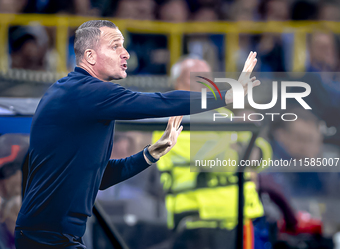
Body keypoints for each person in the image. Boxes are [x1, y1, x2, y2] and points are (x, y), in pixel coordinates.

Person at [15, 20, 259, 248]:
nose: (126, 53)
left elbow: (100, 177)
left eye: (124, 46)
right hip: (48, 236)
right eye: (115, 46)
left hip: (50, 233)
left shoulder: (80, 96)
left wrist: (149, 154)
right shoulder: (88, 93)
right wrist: (225, 96)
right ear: (90, 56)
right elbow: (158, 102)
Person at [152, 58, 269, 249]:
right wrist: (237, 140)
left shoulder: (224, 116)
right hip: (199, 223)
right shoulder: (171, 122)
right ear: (179, 83)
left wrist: (238, 144)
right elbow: (221, 163)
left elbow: (261, 154)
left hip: (245, 218)